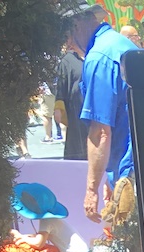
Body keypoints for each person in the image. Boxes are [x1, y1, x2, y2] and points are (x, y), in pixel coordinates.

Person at [75, 2, 139, 222]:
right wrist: (108, 176)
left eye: (65, 34)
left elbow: (100, 132)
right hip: (138, 166)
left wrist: (91, 190)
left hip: (132, 173)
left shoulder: (98, 57)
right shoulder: (116, 43)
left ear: (77, 24)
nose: (66, 43)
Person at [10, 182, 96, 252]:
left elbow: (39, 243)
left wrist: (22, 237)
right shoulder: (52, 219)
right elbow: (41, 236)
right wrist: (25, 237)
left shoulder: (46, 221)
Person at [54, 22, 88, 160]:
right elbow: (61, 86)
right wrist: (58, 108)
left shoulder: (93, 56)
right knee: (77, 147)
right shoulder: (68, 60)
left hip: (93, 110)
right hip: (76, 112)